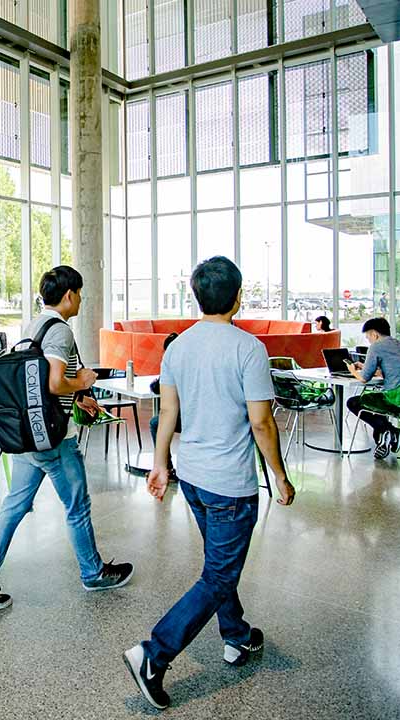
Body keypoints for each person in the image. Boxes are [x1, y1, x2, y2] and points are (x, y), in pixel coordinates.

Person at [123, 256, 295, 711]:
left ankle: (236, 636)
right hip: (230, 484)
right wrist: (279, 475)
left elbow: (168, 413)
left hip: (194, 477)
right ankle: (153, 655)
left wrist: (161, 463)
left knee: (222, 564)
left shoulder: (178, 347)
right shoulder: (248, 349)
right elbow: (261, 423)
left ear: (197, 297)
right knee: (219, 572)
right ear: (238, 296)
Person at [0, 265, 134, 611]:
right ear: (69, 295)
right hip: (54, 440)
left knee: (14, 506)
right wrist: (83, 382)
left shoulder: (33, 326)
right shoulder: (61, 332)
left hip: (27, 435)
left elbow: (40, 382)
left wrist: (78, 398)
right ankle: (93, 573)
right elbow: (55, 383)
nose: (82, 300)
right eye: (80, 293)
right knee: (77, 506)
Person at [343, 317, 400, 459]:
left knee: (353, 402)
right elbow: (391, 371)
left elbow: (363, 379)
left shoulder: (376, 346)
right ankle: (386, 435)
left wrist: (352, 370)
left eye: (368, 336)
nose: (368, 340)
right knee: (375, 402)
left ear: (374, 334)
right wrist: (368, 368)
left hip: (398, 400)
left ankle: (389, 431)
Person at [148, 332, 180, 445]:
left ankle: (166, 461)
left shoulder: (173, 365)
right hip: (200, 415)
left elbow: (157, 388)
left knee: (155, 423)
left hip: (185, 418)